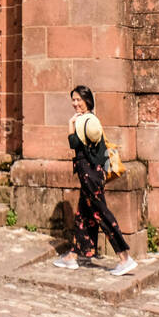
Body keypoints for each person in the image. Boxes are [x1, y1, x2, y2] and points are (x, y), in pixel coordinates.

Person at [54, 85, 137, 275]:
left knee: (101, 213)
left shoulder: (85, 121)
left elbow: (74, 144)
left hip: (89, 174)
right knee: (83, 214)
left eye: (78, 100)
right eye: (73, 100)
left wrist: (70, 126)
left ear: (87, 100)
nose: (75, 103)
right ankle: (73, 256)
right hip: (94, 173)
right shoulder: (92, 119)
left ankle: (124, 257)